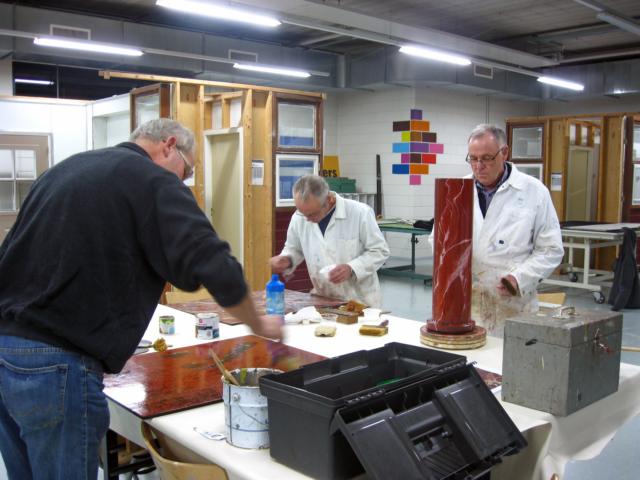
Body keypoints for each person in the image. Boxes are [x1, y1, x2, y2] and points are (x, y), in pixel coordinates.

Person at [0, 118, 283, 479]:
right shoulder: (152, 180)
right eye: (187, 170)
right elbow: (212, 261)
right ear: (168, 146)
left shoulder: (66, 170)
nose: (183, 180)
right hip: (57, 365)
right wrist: (259, 323)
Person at [464, 124, 564, 335]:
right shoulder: (457, 190)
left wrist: (519, 279)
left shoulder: (534, 192)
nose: (478, 166)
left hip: (512, 305)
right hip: (466, 303)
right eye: (473, 158)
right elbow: (439, 241)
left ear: (505, 153)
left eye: (487, 158)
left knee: (510, 363)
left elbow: (551, 250)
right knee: (471, 364)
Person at [270, 175, 389, 307]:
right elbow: (294, 248)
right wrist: (287, 259)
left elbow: (380, 250)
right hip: (323, 298)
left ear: (329, 200)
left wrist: (352, 268)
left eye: (312, 214)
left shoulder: (360, 213)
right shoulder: (299, 217)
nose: (307, 219)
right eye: (303, 213)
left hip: (360, 300)